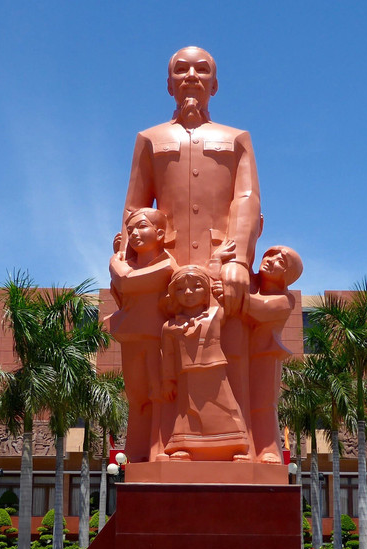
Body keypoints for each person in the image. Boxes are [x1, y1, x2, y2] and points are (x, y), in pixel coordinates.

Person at [122, 46, 261, 438]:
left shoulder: (236, 139)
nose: (191, 76)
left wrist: (238, 258)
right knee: (163, 359)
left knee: (230, 350)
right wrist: (130, 265)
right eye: (181, 70)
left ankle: (239, 446)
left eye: (202, 70)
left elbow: (247, 199)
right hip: (166, 269)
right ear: (169, 84)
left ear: (214, 84)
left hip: (221, 263)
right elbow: (134, 206)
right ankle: (160, 445)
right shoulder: (149, 139)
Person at [106, 207, 177, 462]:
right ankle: (136, 453)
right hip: (132, 336)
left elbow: (126, 281)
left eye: (141, 227)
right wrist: (120, 261)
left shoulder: (168, 265)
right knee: (136, 396)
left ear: (160, 234)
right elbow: (122, 288)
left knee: (160, 393)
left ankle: (160, 448)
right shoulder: (128, 264)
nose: (135, 233)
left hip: (158, 337)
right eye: (130, 230)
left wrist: (116, 258)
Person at [160, 266, 250, 462]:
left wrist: (221, 280)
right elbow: (167, 356)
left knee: (226, 407)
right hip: (187, 376)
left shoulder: (216, 314)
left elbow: (231, 301)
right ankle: (183, 446)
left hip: (215, 370)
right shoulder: (169, 327)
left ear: (206, 292)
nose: (188, 293)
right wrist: (168, 381)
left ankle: (237, 447)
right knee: (187, 411)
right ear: (173, 294)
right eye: (181, 289)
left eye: (196, 287)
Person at [245, 245, 303, 463]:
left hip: (265, 356)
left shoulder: (285, 300)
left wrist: (233, 293)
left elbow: (258, 308)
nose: (269, 260)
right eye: (268, 255)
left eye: (280, 261)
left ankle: (268, 449)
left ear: (287, 275)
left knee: (263, 404)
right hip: (238, 354)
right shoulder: (248, 282)